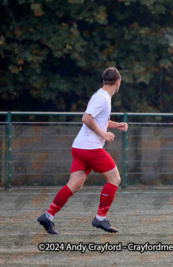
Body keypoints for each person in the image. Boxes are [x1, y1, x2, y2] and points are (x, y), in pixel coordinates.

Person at [37, 67, 128, 234]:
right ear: (118, 82)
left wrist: (116, 125)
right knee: (115, 179)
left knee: (75, 184)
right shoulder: (102, 98)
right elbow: (86, 118)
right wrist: (103, 135)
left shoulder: (101, 96)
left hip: (80, 147)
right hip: (90, 148)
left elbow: (99, 120)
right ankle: (100, 218)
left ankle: (48, 216)